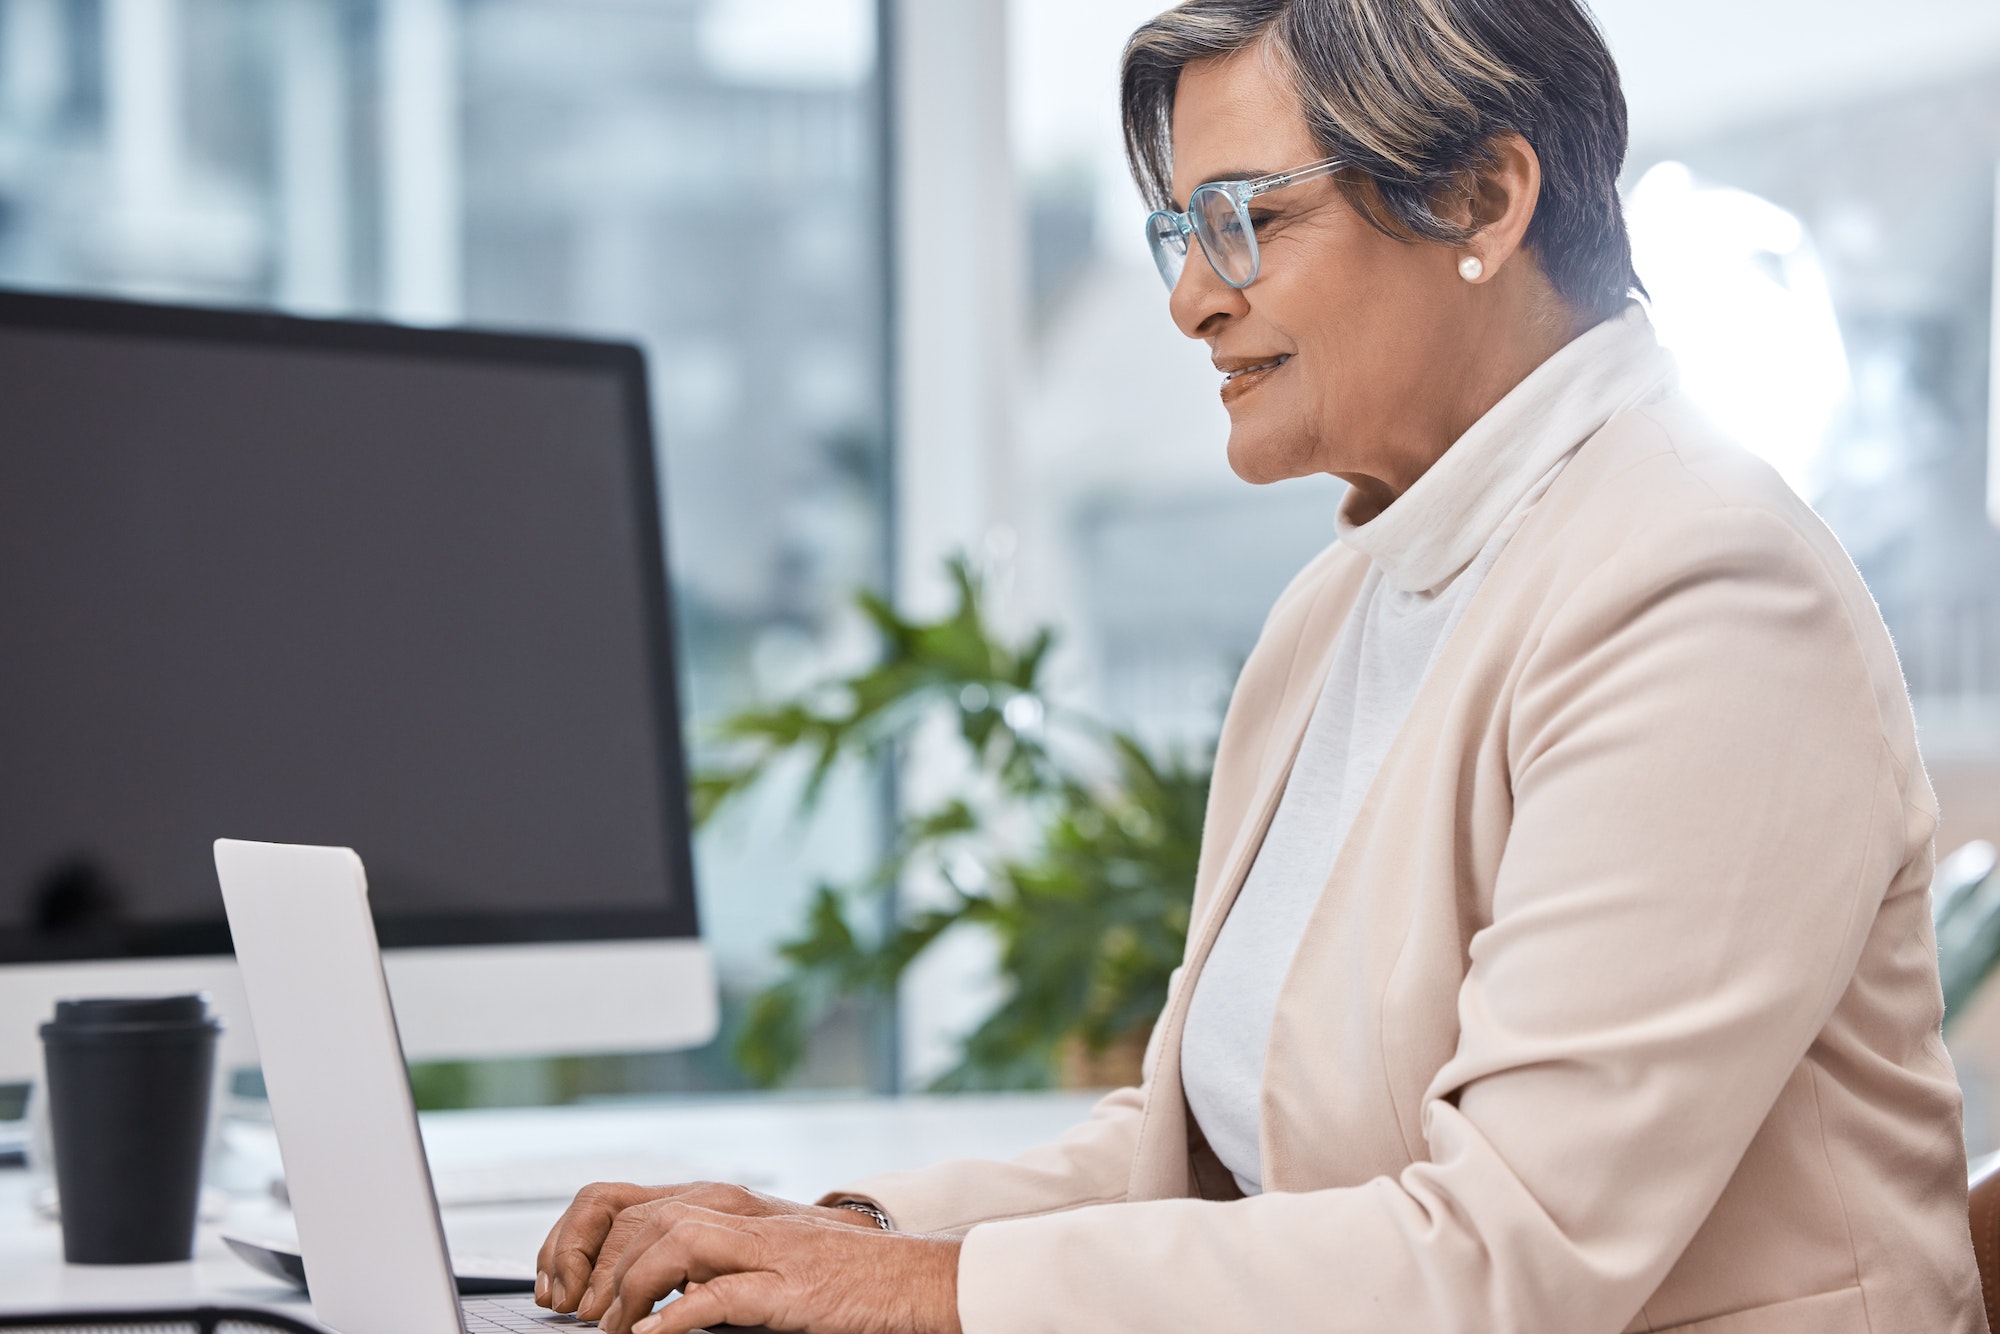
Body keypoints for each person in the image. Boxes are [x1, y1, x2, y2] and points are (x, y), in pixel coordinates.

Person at [534, 1, 1987, 1330]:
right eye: (1181, 232)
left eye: (1243, 219)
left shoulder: (1702, 588)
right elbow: (1210, 1151)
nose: (1192, 300)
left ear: (1483, 197)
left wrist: (926, 1289)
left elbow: (1503, 1258)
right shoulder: (1345, 606)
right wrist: (848, 1233)